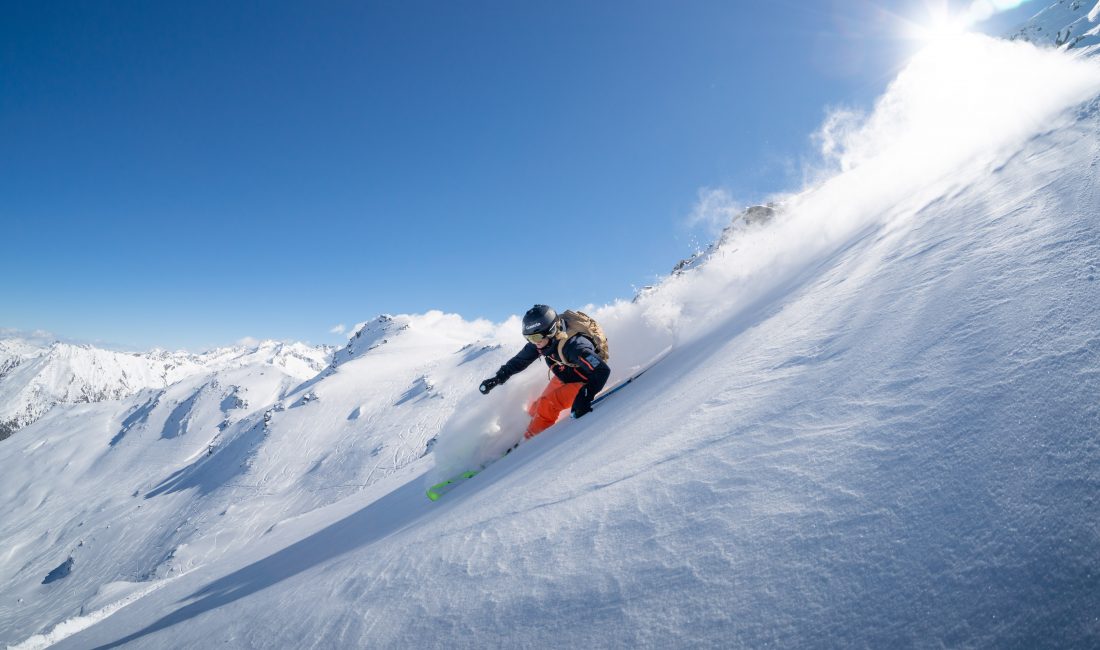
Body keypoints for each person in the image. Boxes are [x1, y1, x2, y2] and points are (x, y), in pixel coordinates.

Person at [479, 305, 611, 439]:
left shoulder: (575, 347)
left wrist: (585, 396)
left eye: (535, 338)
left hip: (588, 380)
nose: (533, 343)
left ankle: (529, 442)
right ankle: (524, 428)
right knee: (536, 405)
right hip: (568, 373)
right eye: (528, 338)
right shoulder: (542, 341)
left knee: (547, 405)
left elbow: (601, 371)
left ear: (551, 331)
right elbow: (520, 361)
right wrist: (498, 378)